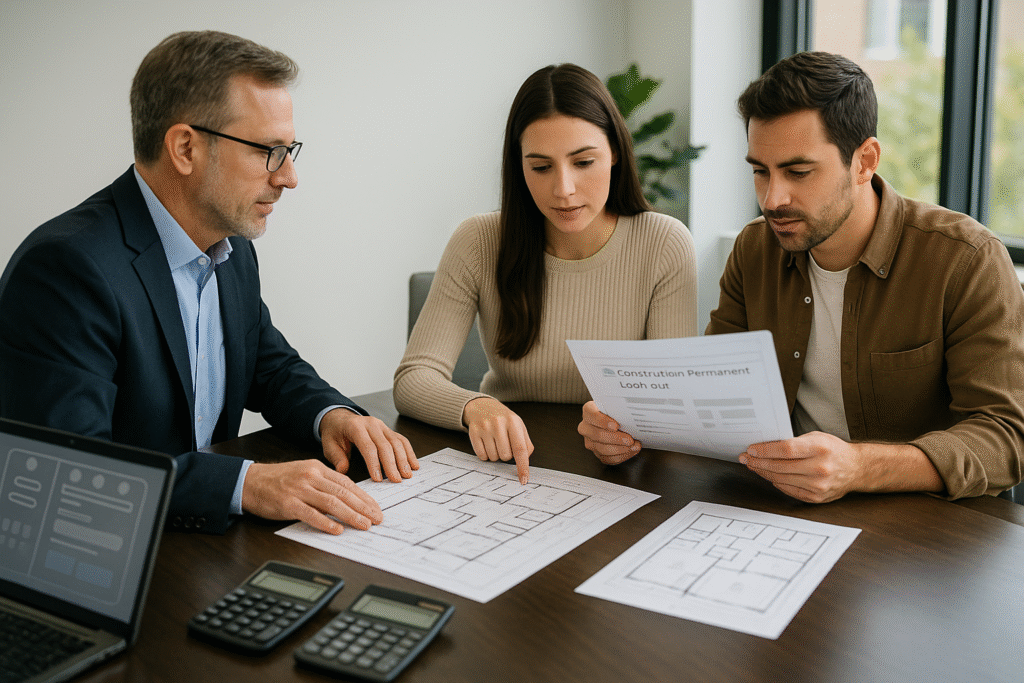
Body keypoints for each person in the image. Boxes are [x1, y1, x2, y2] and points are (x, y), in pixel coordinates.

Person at [0, 30, 418, 535]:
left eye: (291, 151)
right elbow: (75, 472)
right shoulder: (66, 270)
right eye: (270, 150)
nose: (288, 177)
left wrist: (330, 415)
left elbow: (267, 361)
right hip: (111, 559)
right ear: (184, 148)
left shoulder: (231, 245)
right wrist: (247, 485)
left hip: (202, 546)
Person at [579, 51, 1024, 502]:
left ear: (865, 161)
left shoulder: (966, 260)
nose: (772, 199)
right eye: (760, 171)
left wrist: (860, 467)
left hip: (929, 529)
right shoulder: (755, 250)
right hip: (788, 508)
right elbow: (716, 397)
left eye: (798, 171)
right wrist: (625, 425)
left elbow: (1007, 437)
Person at [394, 63, 698, 485]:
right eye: (541, 167)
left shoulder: (664, 243)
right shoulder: (479, 240)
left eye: (584, 161)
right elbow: (413, 379)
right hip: (504, 466)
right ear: (519, 168)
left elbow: (673, 403)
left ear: (615, 154)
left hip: (620, 473)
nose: (564, 189)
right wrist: (475, 407)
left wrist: (626, 432)